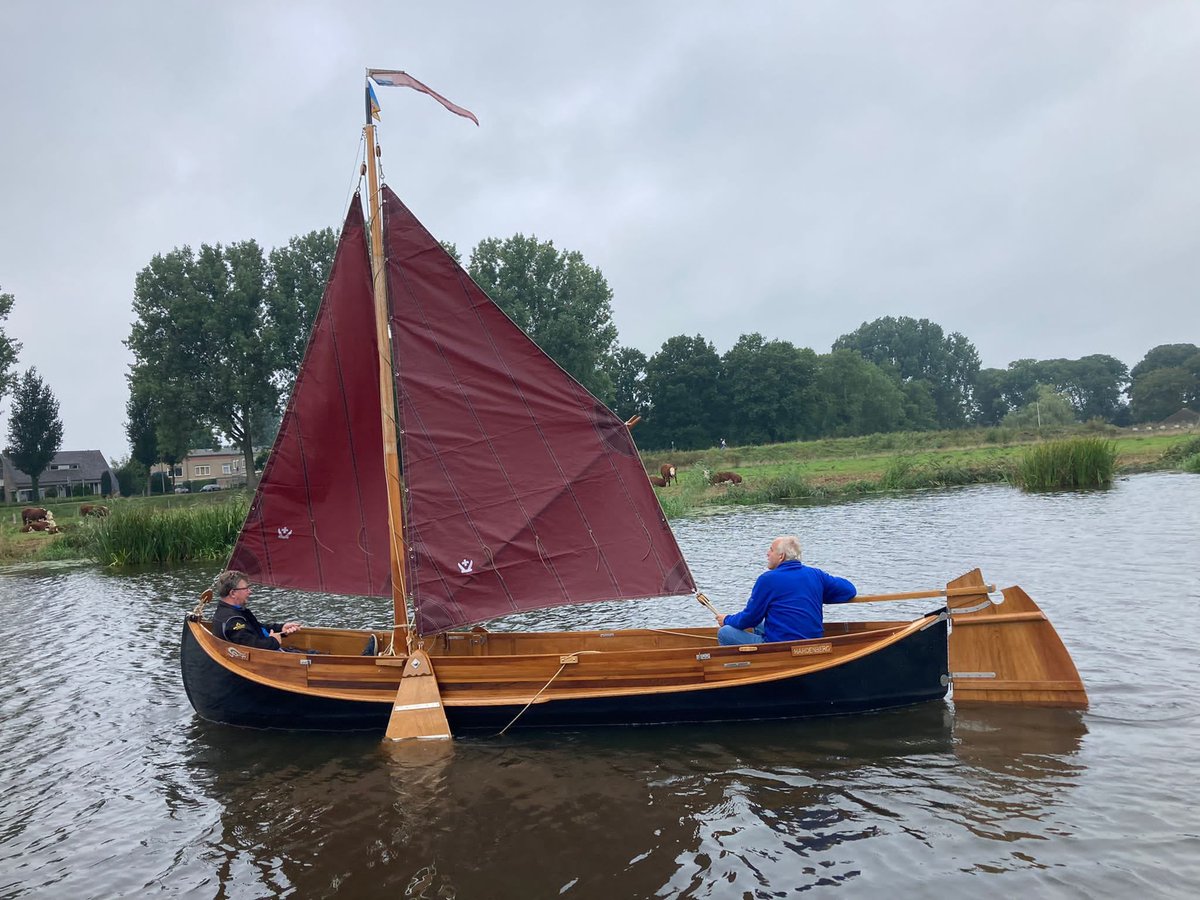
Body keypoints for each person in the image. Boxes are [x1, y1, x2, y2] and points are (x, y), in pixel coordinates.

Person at [715, 535, 856, 645]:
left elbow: (749, 618)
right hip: (813, 643)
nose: (767, 553)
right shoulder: (816, 574)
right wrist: (816, 593)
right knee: (759, 623)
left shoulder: (767, 579)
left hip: (781, 646)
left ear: (781, 556)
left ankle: (746, 670)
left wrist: (726, 620)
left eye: (771, 549)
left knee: (725, 632)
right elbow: (849, 590)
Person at [211, 570, 302, 651]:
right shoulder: (233, 620)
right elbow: (252, 647)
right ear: (233, 593)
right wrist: (273, 641)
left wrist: (281, 628)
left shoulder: (236, 611)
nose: (250, 592)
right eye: (246, 588)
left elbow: (257, 628)